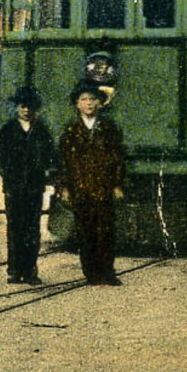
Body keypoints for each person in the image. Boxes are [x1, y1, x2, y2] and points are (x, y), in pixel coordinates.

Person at [57, 80, 126, 286]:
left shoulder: (109, 128)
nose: (88, 103)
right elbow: (63, 162)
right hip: (80, 189)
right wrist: (64, 187)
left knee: (105, 231)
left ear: (100, 104)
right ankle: (91, 272)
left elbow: (118, 158)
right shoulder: (70, 130)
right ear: (77, 104)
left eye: (93, 99)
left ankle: (107, 271)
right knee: (85, 231)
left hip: (103, 188)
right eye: (84, 99)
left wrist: (117, 185)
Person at [0, 84, 55, 284]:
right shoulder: (8, 131)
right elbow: (0, 158)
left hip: (34, 188)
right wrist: (9, 178)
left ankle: (30, 270)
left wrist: (45, 176)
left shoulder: (42, 131)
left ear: (35, 108)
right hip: (14, 188)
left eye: (30, 106)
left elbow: (49, 157)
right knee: (15, 229)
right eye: (23, 106)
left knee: (32, 229)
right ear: (17, 107)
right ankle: (14, 270)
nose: (26, 110)